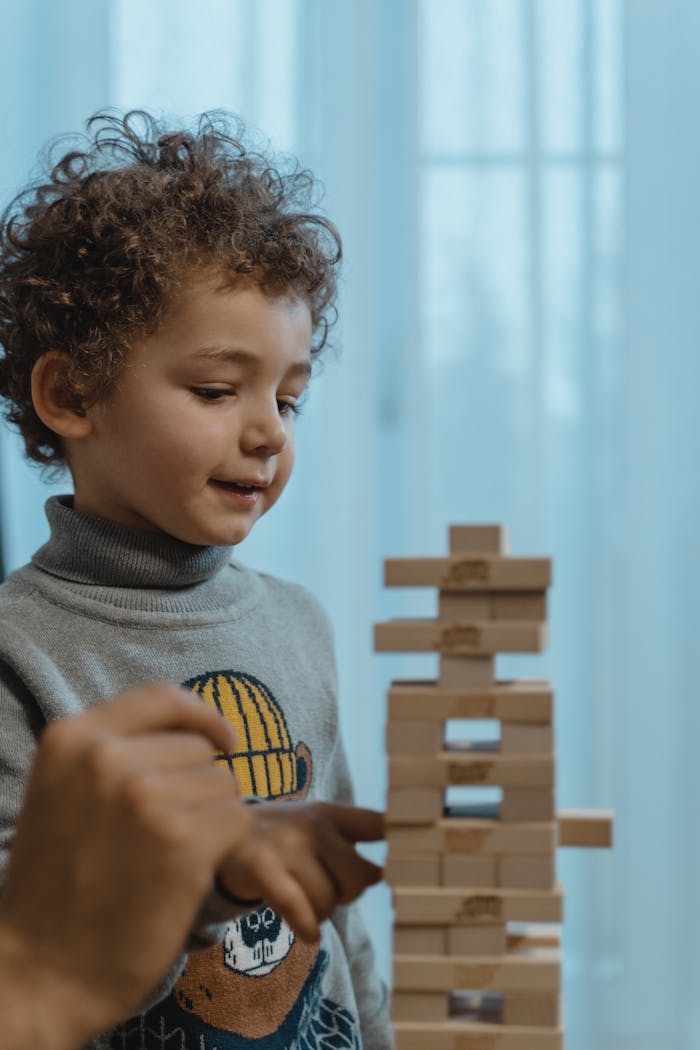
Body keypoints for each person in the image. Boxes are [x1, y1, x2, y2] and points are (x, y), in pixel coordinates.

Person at [0, 111, 390, 1049]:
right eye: (219, 390)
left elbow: (339, 906)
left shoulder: (299, 625)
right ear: (72, 396)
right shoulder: (18, 651)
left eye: (288, 397)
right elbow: (31, 943)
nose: (268, 432)